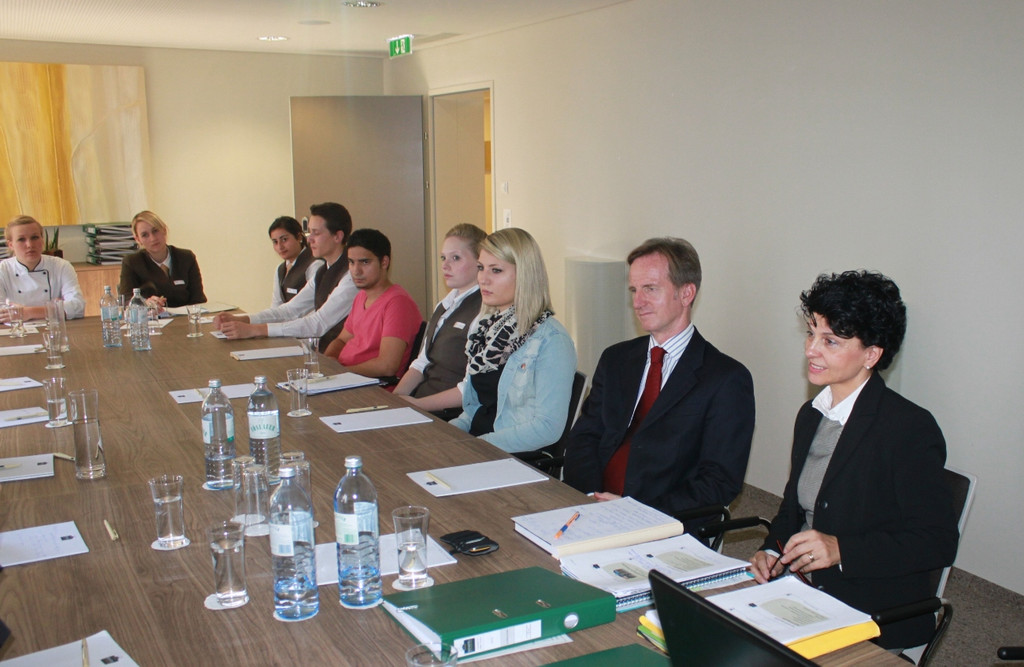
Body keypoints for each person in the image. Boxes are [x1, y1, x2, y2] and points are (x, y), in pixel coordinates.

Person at [748, 270, 958, 652]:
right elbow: (793, 510)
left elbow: (937, 542)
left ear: (871, 354)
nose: (811, 350)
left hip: (869, 609)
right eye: (811, 333)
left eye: (830, 340)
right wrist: (773, 551)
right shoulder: (812, 414)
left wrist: (841, 549)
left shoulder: (909, 428)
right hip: (801, 590)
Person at [563, 237, 754, 520]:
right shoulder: (616, 359)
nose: (637, 302)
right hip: (592, 508)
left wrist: (634, 512)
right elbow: (585, 436)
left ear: (686, 293)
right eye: (634, 290)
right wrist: (591, 496)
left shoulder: (725, 379)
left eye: (650, 289)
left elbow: (719, 481)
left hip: (661, 521)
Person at [450, 228, 577, 453]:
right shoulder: (485, 329)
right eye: (481, 268)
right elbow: (475, 410)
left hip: (508, 457)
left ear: (525, 275)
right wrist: (446, 436)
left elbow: (547, 428)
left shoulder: (552, 340)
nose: (483, 279)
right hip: (476, 446)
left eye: (496, 270)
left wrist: (476, 447)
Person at [215, 202, 357, 352]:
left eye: (316, 233)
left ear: (337, 236)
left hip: (340, 356)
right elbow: (289, 310)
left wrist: (255, 330)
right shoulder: (323, 271)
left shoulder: (351, 275)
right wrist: (243, 319)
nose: (309, 239)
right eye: (309, 232)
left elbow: (317, 324)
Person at [394, 223, 486, 419]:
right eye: (443, 258)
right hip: (421, 404)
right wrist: (395, 400)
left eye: (456, 258)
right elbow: (422, 363)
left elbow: (471, 388)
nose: (445, 265)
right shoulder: (444, 305)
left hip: (449, 414)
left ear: (480, 262)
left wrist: (417, 405)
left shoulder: (483, 311)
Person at [321, 228, 422, 381]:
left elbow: (387, 366)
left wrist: (340, 373)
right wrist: (328, 362)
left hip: (370, 386)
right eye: (351, 262)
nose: (356, 271)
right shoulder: (361, 296)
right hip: (346, 378)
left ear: (384, 262)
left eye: (365, 262)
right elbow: (341, 340)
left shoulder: (398, 303)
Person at [0, 216, 85, 320]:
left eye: (34, 237)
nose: (29, 245)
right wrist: (55, 309)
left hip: (54, 327)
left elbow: (78, 306)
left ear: (42, 239)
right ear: (11, 245)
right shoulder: (3, 270)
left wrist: (28, 312)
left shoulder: (61, 266)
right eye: (21, 239)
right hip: (17, 328)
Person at [118, 210, 206, 308]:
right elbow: (125, 300)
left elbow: (198, 299)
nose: (153, 238)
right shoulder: (132, 262)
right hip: (151, 316)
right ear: (138, 239)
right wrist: (144, 303)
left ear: (164, 230)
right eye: (145, 235)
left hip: (185, 316)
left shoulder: (186, 258)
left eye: (155, 231)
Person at [268, 216, 323, 307]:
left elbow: (313, 304)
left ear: (299, 237)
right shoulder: (280, 269)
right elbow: (276, 303)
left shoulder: (315, 264)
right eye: (275, 242)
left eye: (284, 239)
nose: (280, 247)